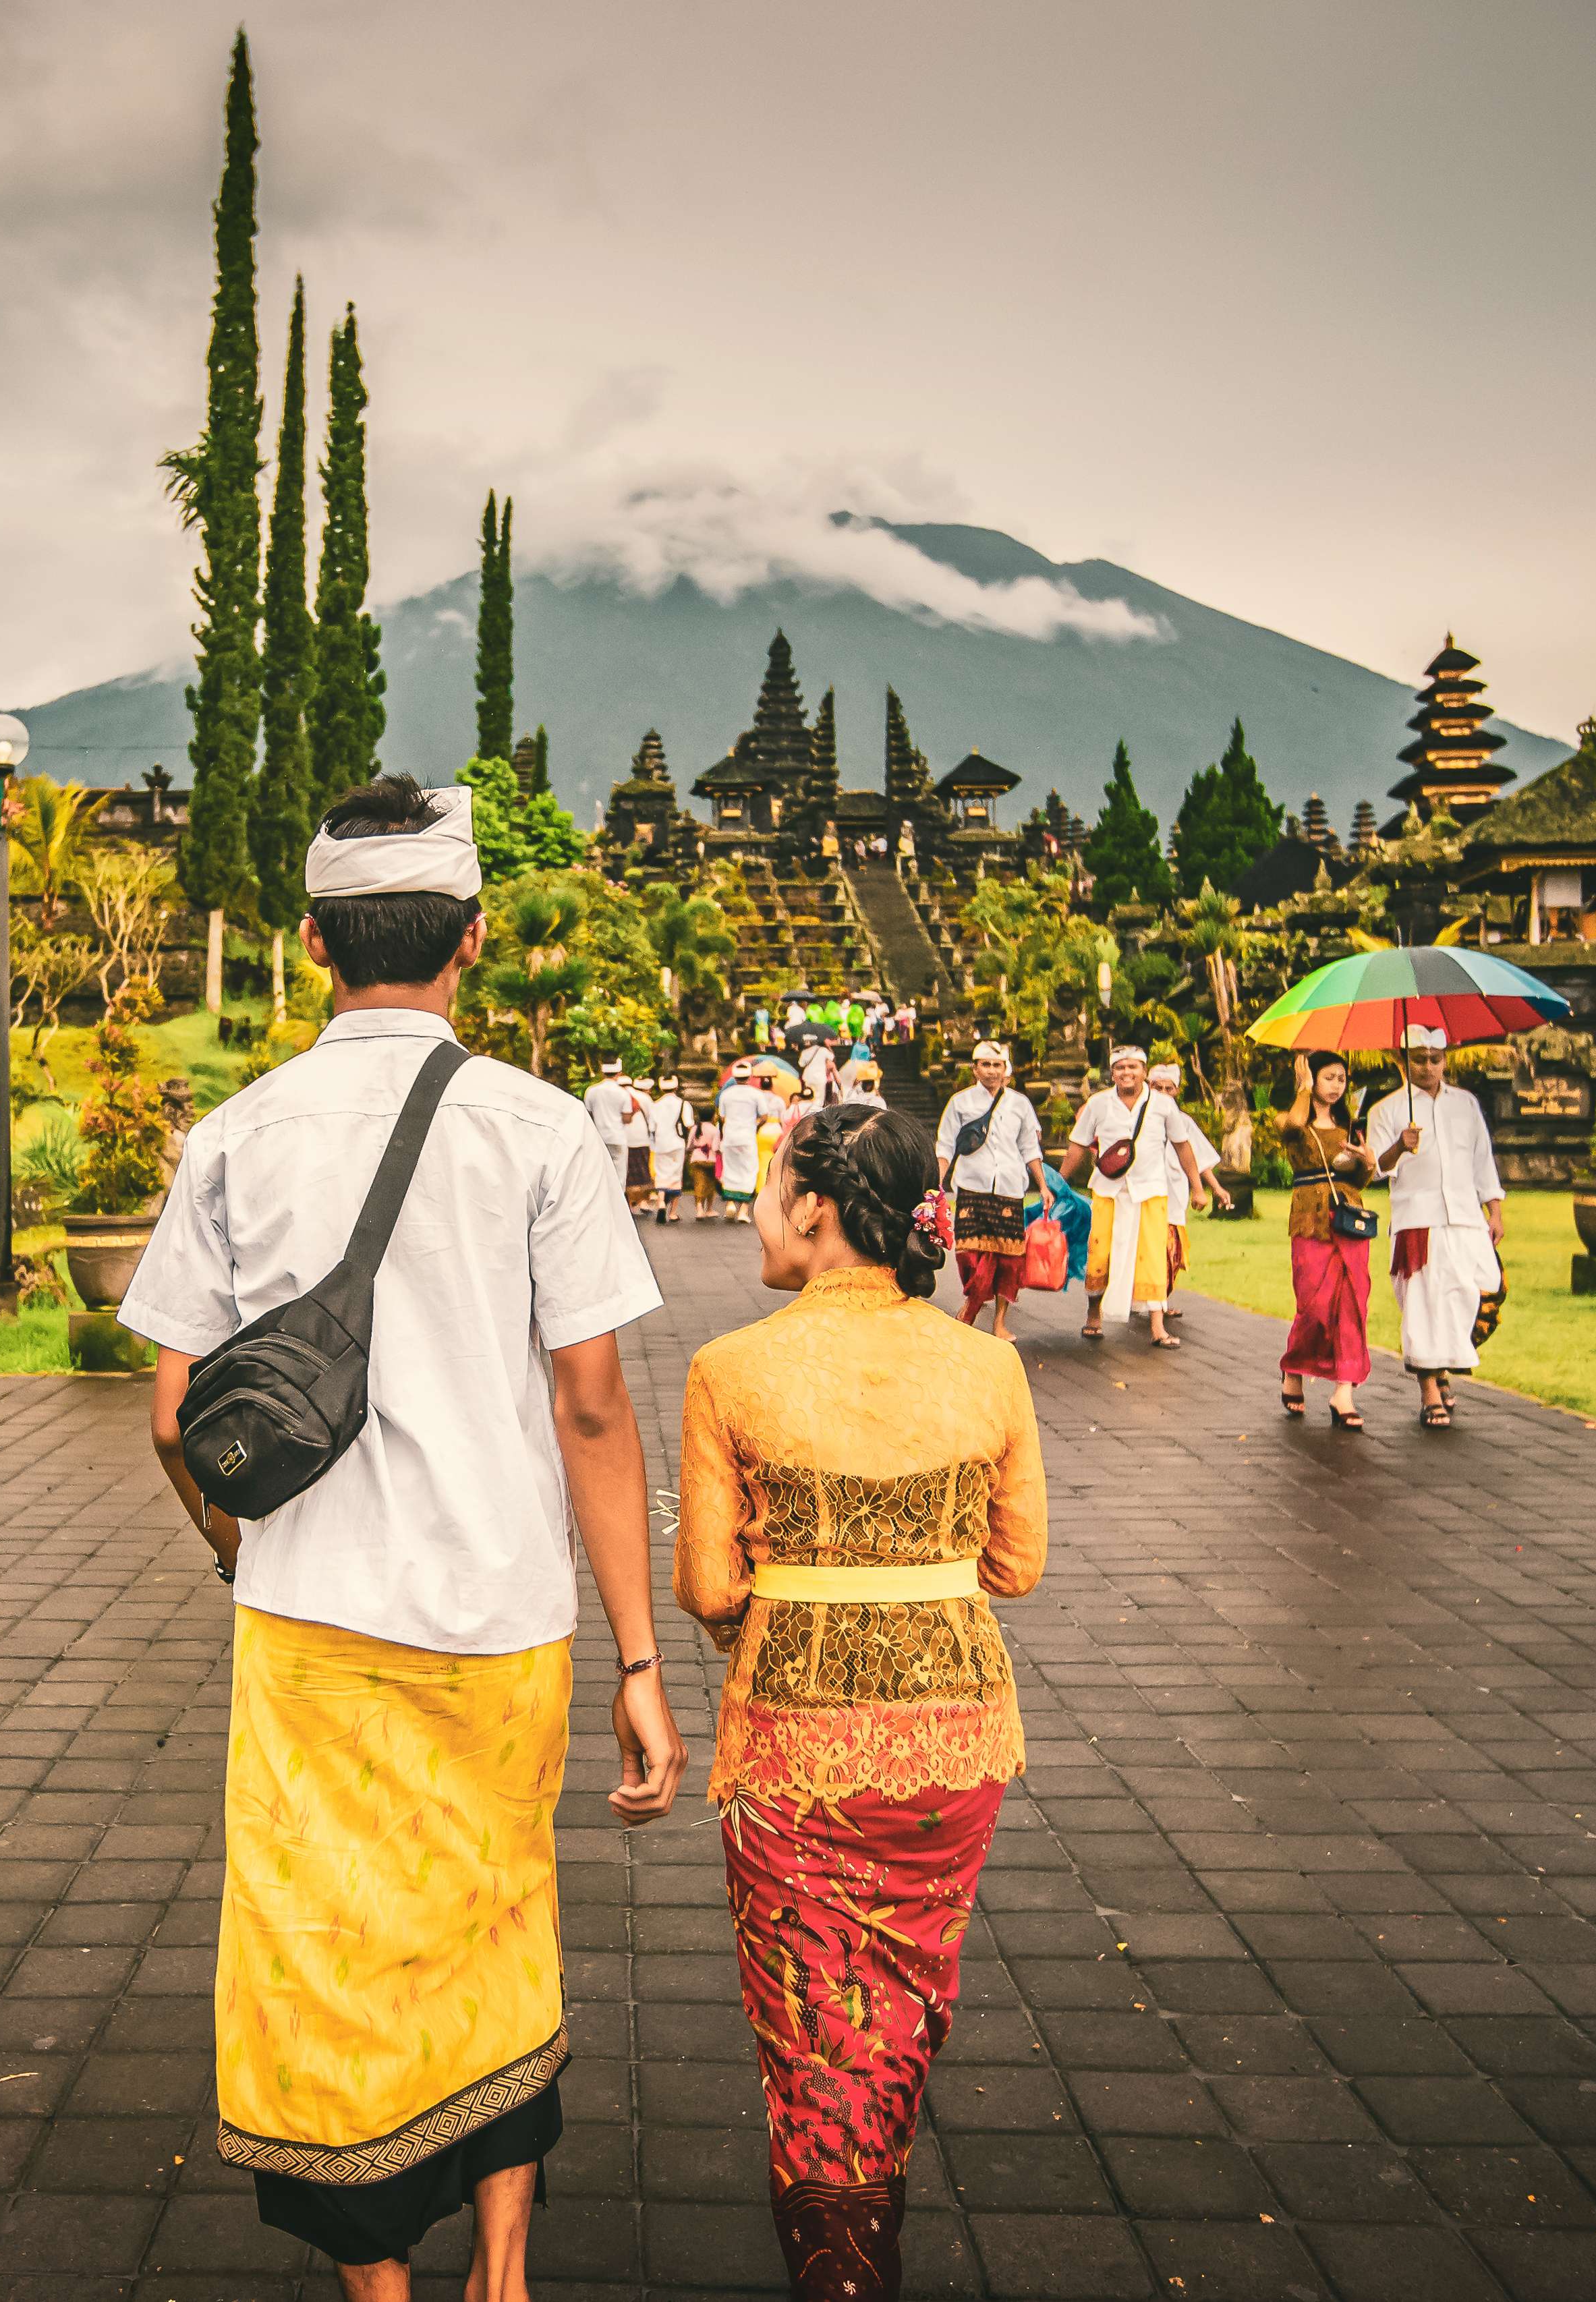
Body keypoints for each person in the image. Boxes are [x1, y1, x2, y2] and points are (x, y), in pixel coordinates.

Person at [123, 775, 684, 2295]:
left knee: (328, 1950)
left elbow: (176, 1412)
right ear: (472, 940)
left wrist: (239, 1548)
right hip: (502, 1616)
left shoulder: (237, 1133)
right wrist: (640, 1656)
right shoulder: (542, 1128)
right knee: (496, 1920)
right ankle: (505, 2269)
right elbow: (588, 1405)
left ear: (312, 942)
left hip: (312, 1621)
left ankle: (382, 2285)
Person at [675, 1101, 1048, 2302]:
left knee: (811, 2031)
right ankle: (862, 2225)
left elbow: (705, 1583)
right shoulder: (986, 1363)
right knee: (897, 2013)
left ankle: (842, 2267)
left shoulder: (729, 1369)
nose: (753, 1208)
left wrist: (790, 1598)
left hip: (793, 1736)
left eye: (767, 1186)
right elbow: (1014, 1565)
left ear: (816, 1207)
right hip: (953, 1739)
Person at [1366, 1022, 1507, 1429]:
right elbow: (1375, 1170)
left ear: (1445, 1060)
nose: (1428, 1067)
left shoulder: (1465, 1104)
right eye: (1418, 1059)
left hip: (1465, 1217)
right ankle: (1429, 1390)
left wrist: (1494, 1210)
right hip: (1418, 1220)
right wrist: (1400, 1145)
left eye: (1435, 1059)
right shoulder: (1387, 1110)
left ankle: (1442, 1365)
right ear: (1401, 1061)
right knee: (1426, 1305)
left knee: (1477, 1294)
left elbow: (1482, 1160)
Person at [1276, 1052, 1376, 1428]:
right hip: (1309, 1220)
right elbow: (1290, 1129)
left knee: (1352, 1302)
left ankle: (1344, 1392)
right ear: (1313, 1079)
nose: (1337, 1085)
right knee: (1314, 1305)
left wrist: (1365, 1160)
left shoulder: (1351, 1127)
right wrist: (1302, 1090)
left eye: (1342, 1078)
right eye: (1329, 1077)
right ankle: (1294, 1368)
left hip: (1349, 1221)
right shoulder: (1292, 1119)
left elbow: (1359, 1181)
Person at [1062, 1046, 1180, 1346]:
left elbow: (1183, 1145)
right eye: (1120, 1068)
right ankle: (1093, 1314)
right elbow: (1078, 1144)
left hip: (1151, 1191)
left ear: (1144, 1070)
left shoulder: (1164, 1105)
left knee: (1153, 1256)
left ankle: (1157, 1327)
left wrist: (1199, 1186)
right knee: (1099, 1254)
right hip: (1108, 1190)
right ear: (1112, 1072)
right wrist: (1059, 1182)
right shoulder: (1098, 1104)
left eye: (1133, 1067)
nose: (1127, 1073)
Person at [936, 1039, 1047, 1338]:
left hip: (1010, 1187)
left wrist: (1043, 1186)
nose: (992, 1071)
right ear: (975, 1069)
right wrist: (937, 1182)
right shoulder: (960, 1103)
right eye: (986, 1064)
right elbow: (945, 1144)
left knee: (1009, 1261)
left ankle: (998, 1322)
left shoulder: (1020, 1104)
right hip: (972, 1185)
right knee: (970, 1254)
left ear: (1005, 1070)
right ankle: (974, 1299)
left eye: (997, 1065)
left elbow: (1029, 1147)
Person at [1143, 1058, 1232, 1319]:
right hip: (1145, 1194)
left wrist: (1212, 1189)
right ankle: (1149, 1301)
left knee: (1172, 1252)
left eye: (1168, 1089)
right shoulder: (1138, 1119)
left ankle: (1161, 1300)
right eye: (1156, 1088)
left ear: (1177, 1091)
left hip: (1174, 1195)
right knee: (1149, 1249)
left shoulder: (1184, 1122)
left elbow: (1198, 1159)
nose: (1162, 1094)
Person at [586, 1058, 652, 1213]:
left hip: (599, 1138)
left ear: (602, 1073)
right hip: (618, 1138)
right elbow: (627, 1119)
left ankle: (601, 1205)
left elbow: (589, 1114)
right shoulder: (622, 1094)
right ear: (619, 1073)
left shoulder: (592, 1091)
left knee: (600, 1172)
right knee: (620, 1175)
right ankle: (618, 1207)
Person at [716, 1060, 781, 1216]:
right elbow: (765, 1116)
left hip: (730, 1136)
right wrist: (756, 1126)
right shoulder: (756, 1094)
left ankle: (730, 1204)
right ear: (750, 1076)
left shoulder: (726, 1094)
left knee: (730, 1169)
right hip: (748, 1135)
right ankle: (743, 1210)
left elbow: (722, 1117)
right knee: (749, 1170)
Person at [646, 1073, 693, 1222]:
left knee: (661, 1174)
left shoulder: (655, 1105)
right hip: (677, 1143)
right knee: (676, 1175)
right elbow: (689, 1124)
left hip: (660, 1143)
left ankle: (661, 1203)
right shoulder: (683, 1104)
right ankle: (673, 1212)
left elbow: (652, 1127)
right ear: (676, 1087)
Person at [687, 1102, 724, 1219]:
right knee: (710, 1184)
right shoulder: (714, 1130)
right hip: (711, 1160)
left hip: (697, 1159)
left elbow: (689, 1145)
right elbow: (716, 1148)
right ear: (713, 1116)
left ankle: (699, 1209)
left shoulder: (695, 1128)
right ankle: (709, 1209)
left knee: (699, 1184)